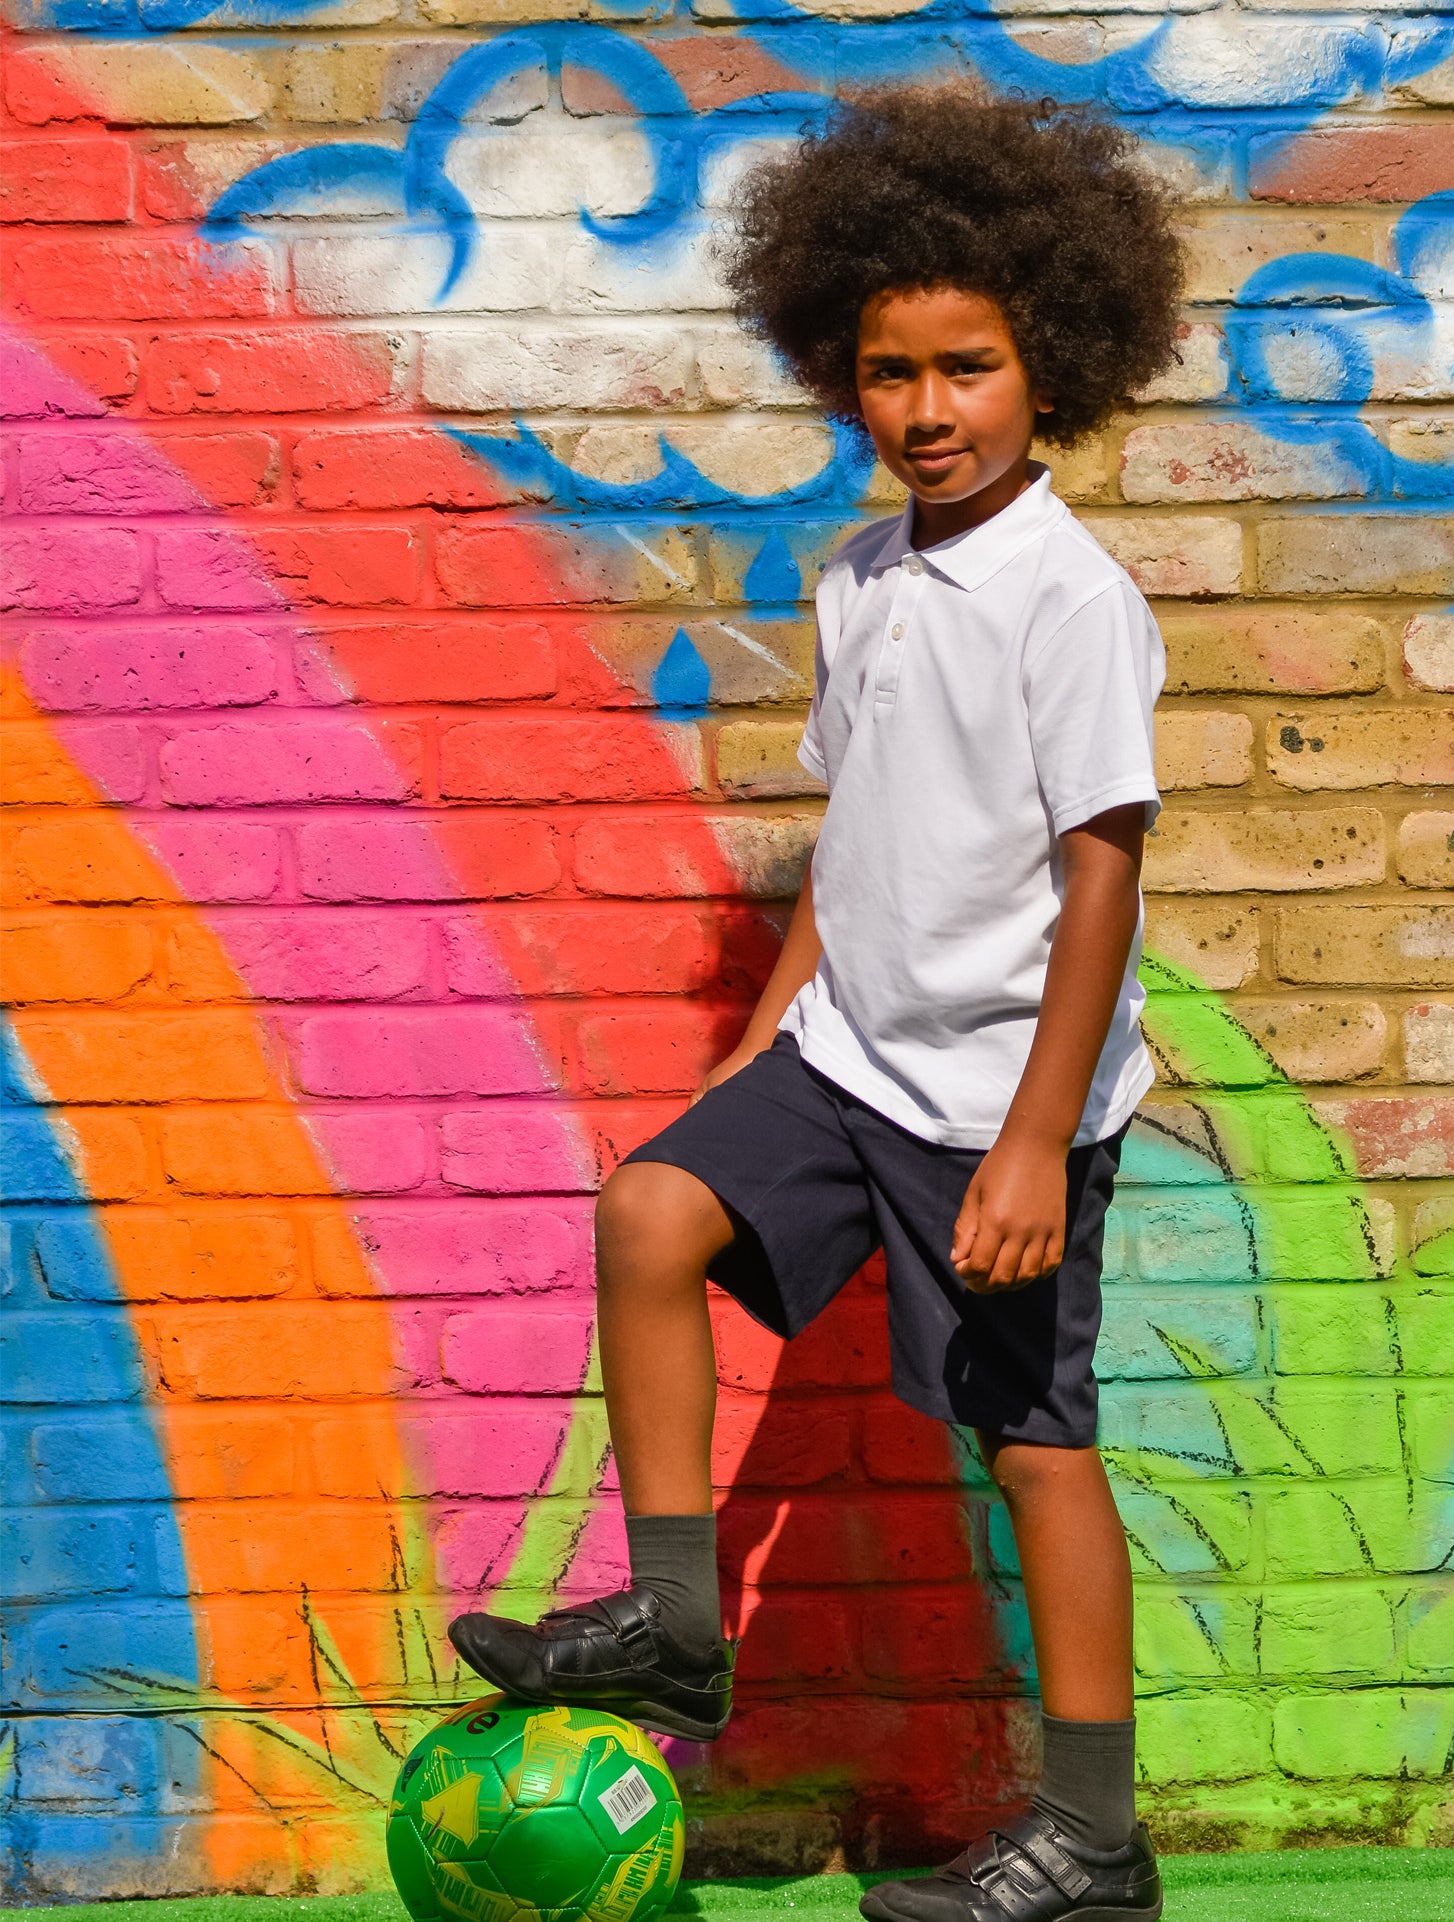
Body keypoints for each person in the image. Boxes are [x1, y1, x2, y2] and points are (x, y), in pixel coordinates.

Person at [451, 82, 1184, 1922]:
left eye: (970, 366)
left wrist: (1031, 1139)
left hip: (1004, 1103)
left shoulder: (1071, 597)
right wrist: (773, 1037)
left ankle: (1094, 1839)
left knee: (1034, 1446)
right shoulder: (863, 580)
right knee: (648, 1207)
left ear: (1053, 366)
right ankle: (683, 1626)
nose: (927, 410)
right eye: (886, 370)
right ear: (835, 370)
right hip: (850, 1055)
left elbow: (1103, 871)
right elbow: (863, 836)